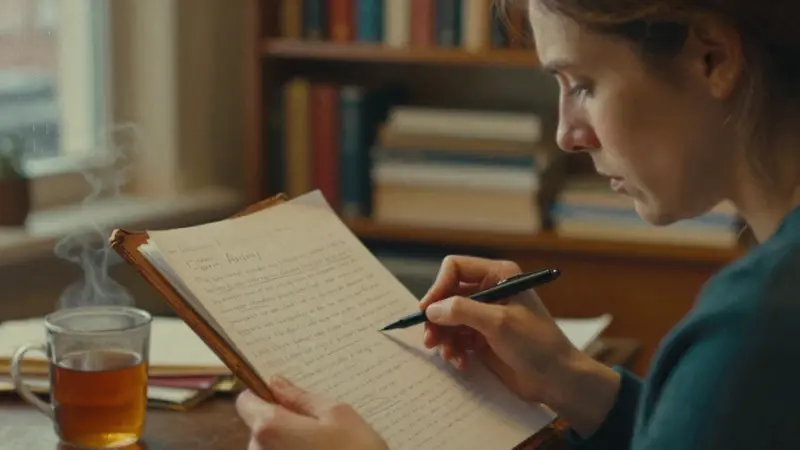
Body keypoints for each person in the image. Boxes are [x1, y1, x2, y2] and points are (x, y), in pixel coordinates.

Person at [235, 0, 800, 448]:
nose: (567, 134)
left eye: (581, 84)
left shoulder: (754, 328)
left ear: (714, 59)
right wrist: (570, 379)